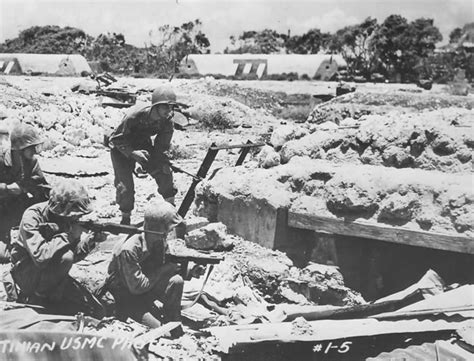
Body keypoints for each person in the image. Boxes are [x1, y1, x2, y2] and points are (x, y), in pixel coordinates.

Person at [10, 179, 97, 313]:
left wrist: (91, 242)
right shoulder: (32, 216)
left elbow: (74, 255)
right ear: (61, 208)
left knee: (94, 308)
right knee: (66, 258)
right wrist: (69, 236)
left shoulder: (68, 220)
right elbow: (40, 257)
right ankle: (39, 299)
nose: (78, 218)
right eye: (75, 214)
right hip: (26, 272)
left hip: (50, 273)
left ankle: (50, 292)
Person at [106, 198, 184, 331]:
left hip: (147, 289)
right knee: (162, 332)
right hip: (127, 295)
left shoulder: (158, 239)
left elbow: (164, 266)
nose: (170, 233)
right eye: (168, 229)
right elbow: (137, 287)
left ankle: (172, 318)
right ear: (158, 229)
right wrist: (165, 270)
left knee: (176, 281)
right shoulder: (130, 249)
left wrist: (189, 270)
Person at [107, 85, 178, 225]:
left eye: (171, 107)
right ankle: (125, 219)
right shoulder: (135, 115)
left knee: (164, 172)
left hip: (142, 144)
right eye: (165, 107)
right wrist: (132, 153)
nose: (169, 111)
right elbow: (115, 139)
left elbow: (162, 145)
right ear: (156, 106)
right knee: (125, 188)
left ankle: (172, 212)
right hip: (122, 148)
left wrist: (162, 161)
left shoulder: (167, 120)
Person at [0, 122, 49, 263]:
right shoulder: (1, 160)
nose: (34, 151)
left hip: (16, 206)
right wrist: (6, 189)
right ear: (19, 149)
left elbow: (41, 185)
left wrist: (23, 187)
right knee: (4, 256)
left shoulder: (31, 162)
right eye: (31, 147)